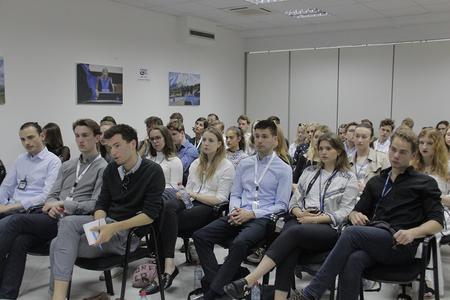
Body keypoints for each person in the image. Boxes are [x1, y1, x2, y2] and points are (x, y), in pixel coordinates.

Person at [298, 128, 444, 300]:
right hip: (377, 240)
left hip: (402, 245)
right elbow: (356, 211)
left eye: (403, 152)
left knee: (351, 233)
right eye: (393, 150)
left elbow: (437, 222)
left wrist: (413, 232)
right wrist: (354, 215)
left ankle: (311, 293)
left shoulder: (425, 183)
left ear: (413, 154)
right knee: (353, 259)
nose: (396, 155)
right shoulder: (377, 181)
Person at [224, 132, 359, 300]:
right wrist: (299, 212)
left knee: (292, 233)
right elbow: (293, 201)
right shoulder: (309, 171)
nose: (323, 152)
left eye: (328, 148)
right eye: (321, 148)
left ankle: (250, 280)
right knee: (290, 248)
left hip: (328, 227)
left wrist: (314, 219)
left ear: (338, 151)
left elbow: (345, 212)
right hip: (301, 219)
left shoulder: (348, 177)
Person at [50, 124, 165, 300]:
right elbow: (101, 204)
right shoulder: (111, 169)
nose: (112, 152)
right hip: (107, 226)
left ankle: (57, 297)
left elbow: (150, 215)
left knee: (56, 245)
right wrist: (100, 224)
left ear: (133, 143)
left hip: (127, 234)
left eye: (117, 145)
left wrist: (113, 227)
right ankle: (59, 297)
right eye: (110, 147)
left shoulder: (153, 171)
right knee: (67, 222)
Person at [0, 119, 107, 299]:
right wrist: (50, 206)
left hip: (74, 221)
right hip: (52, 217)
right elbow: (51, 195)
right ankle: (6, 295)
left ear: (97, 138)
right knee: (20, 240)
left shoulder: (103, 167)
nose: (80, 140)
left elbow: (96, 204)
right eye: (77, 136)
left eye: (85, 136)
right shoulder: (68, 165)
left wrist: (63, 204)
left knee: (15, 222)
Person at [193, 119, 292, 300]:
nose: (259, 140)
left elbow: (282, 205)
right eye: (257, 136)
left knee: (239, 243)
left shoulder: (284, 169)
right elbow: (236, 193)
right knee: (200, 236)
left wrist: (252, 214)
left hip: (262, 218)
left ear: (275, 141)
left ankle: (212, 294)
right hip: (238, 213)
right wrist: (235, 210)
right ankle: (221, 287)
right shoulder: (245, 163)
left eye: (265, 136)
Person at [143, 127, 235, 295]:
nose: (206, 144)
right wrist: (182, 194)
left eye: (211, 141)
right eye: (204, 140)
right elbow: (188, 191)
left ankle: (166, 269)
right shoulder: (196, 164)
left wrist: (191, 194)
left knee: (164, 217)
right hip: (191, 202)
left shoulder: (226, 166)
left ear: (220, 145)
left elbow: (221, 199)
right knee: (165, 208)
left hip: (209, 208)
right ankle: (168, 266)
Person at [411, 127, 450, 296]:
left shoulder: (447, 167)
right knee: (410, 229)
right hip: (415, 211)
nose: (424, 146)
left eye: (429, 143)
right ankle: (407, 280)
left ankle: (427, 282)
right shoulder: (413, 167)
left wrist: (434, 197)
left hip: (442, 211)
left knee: (429, 235)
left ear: (437, 146)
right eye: (421, 142)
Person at [0, 122, 61, 221]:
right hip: (11, 208)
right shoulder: (20, 159)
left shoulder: (53, 162)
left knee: (10, 222)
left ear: (42, 136)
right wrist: (2, 205)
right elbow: (6, 187)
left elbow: (46, 196)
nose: (26, 143)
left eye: (30, 137)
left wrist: (9, 207)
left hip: (32, 211)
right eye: (23, 139)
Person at [349, 123, 390, 194]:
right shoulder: (347, 160)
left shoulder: (383, 159)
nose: (359, 140)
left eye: (364, 137)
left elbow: (388, 187)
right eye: (357, 136)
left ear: (371, 139)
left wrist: (368, 190)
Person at [167, 119, 199, 185]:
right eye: (169, 135)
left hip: (186, 186)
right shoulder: (175, 148)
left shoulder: (191, 150)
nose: (171, 137)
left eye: (174, 134)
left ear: (182, 133)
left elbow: (178, 169)